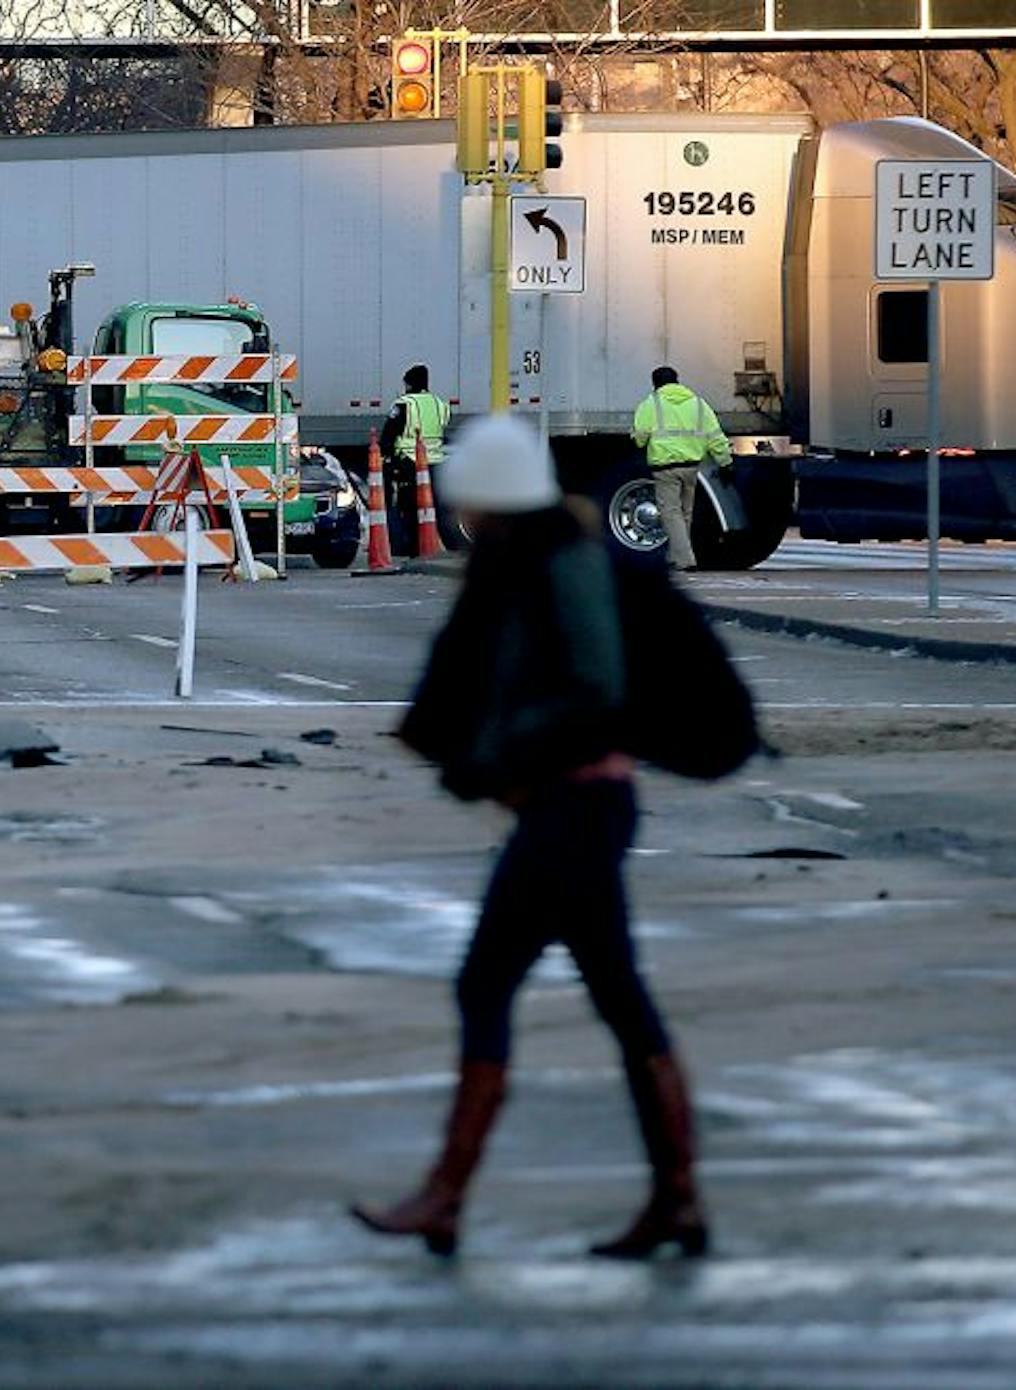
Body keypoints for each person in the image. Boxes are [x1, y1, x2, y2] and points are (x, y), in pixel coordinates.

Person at [350, 414, 708, 1261]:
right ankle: (678, 1200)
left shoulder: (564, 561)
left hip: (574, 808)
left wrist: (497, 753)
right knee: (617, 997)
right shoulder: (517, 561)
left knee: (491, 984)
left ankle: (445, 1197)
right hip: (565, 807)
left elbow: (594, 685)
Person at [630, 365, 731, 571]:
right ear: (677, 381)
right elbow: (715, 437)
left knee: (670, 513)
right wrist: (725, 462)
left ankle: (685, 559)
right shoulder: (699, 404)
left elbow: (640, 438)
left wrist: (635, 437)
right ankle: (676, 556)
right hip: (692, 467)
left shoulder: (651, 404)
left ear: (655, 383)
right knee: (685, 513)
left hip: (665, 468)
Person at [377, 364, 450, 556]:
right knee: (435, 507)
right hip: (436, 462)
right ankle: (438, 545)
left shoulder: (405, 404)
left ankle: (412, 548)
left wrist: (385, 454)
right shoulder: (438, 403)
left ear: (408, 384)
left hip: (410, 462)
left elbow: (389, 434)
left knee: (409, 507)